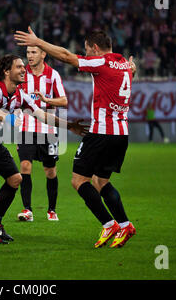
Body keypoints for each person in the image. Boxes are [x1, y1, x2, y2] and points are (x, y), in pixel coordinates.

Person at [15, 27, 137, 248]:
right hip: (122, 133)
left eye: (87, 50)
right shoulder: (125, 65)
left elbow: (66, 56)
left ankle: (109, 224)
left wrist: (38, 42)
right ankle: (126, 223)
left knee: (79, 180)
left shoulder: (101, 62)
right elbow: (127, 79)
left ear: (95, 48)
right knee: (102, 181)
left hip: (102, 132)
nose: (86, 54)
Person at [0, 54, 87, 244]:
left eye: (23, 67)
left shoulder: (20, 95)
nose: (23, 69)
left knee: (16, 179)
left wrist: (69, 126)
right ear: (6, 71)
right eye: (18, 67)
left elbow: (42, 115)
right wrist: (9, 118)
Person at [16, 46, 68, 222]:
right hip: (26, 127)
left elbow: (64, 100)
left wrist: (47, 100)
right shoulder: (22, 74)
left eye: (33, 52)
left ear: (43, 54)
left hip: (48, 130)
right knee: (25, 166)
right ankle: (27, 209)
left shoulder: (53, 75)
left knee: (50, 171)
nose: (29, 56)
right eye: (28, 52)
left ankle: (52, 210)